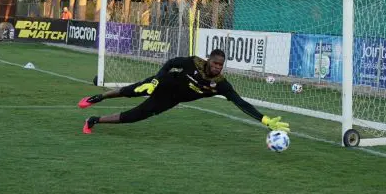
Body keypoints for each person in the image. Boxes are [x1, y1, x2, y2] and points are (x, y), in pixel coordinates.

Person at [78, 49, 290, 135]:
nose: (217, 67)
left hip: (170, 100)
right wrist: (154, 80)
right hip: (164, 83)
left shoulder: (221, 84)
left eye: (221, 65)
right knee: (130, 90)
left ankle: (94, 120)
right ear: (209, 60)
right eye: (215, 63)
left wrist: (265, 120)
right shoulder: (193, 63)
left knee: (135, 116)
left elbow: (240, 103)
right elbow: (170, 63)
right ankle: (99, 96)